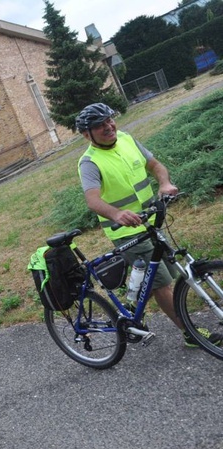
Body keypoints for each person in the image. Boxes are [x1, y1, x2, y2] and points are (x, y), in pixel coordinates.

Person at [75, 102, 223, 348]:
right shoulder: (89, 162)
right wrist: (117, 214)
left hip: (152, 222)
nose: (109, 127)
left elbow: (155, 166)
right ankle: (190, 333)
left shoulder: (126, 139)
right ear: (86, 134)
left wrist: (164, 183)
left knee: (168, 273)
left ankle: (133, 302)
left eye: (110, 120)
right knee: (162, 283)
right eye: (100, 126)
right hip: (126, 231)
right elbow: (92, 200)